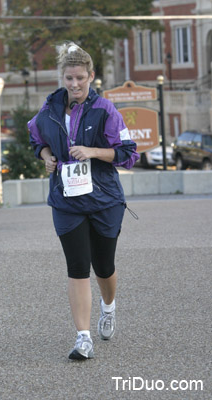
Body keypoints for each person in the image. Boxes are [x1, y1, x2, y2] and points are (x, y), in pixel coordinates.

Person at [28, 42, 139, 360]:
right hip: (66, 201)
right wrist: (47, 156)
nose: (74, 84)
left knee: (103, 267)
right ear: (61, 78)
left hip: (104, 201)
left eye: (80, 78)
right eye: (68, 78)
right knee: (77, 267)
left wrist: (93, 152)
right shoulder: (48, 110)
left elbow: (129, 155)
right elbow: (36, 138)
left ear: (91, 76)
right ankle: (83, 338)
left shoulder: (106, 110)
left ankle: (109, 307)